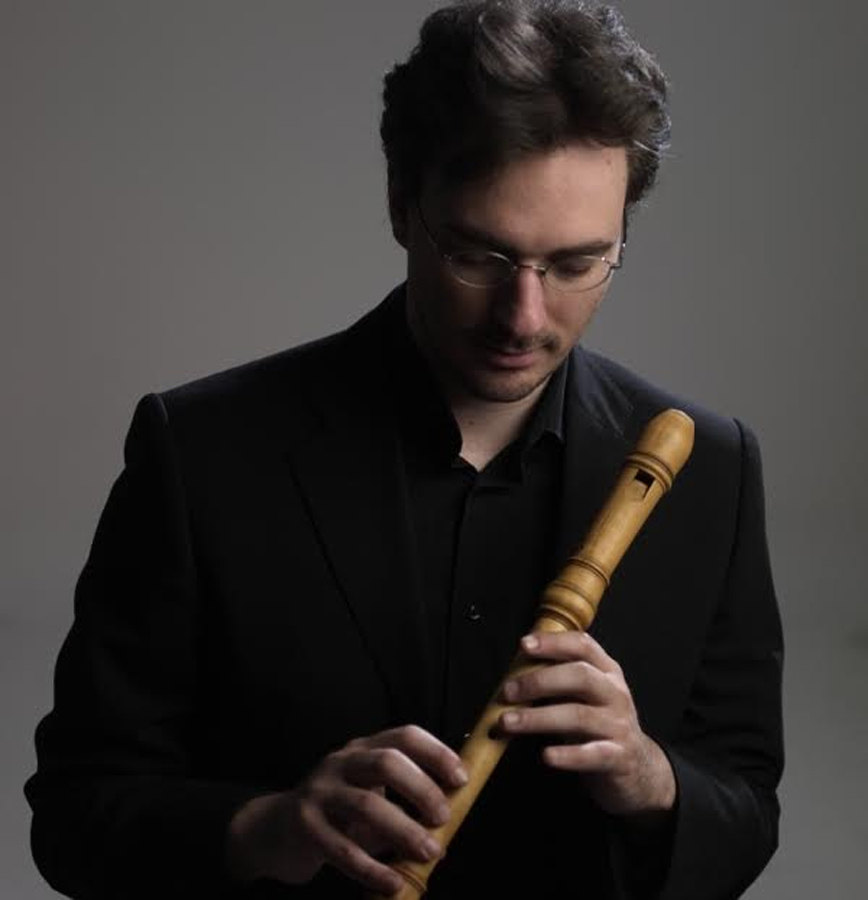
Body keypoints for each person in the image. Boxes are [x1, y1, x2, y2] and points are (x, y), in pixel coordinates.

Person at [25, 2, 783, 898]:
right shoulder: (201, 456)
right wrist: (266, 828)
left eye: (577, 264)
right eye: (479, 255)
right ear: (401, 205)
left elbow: (746, 811)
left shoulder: (711, 472)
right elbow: (76, 813)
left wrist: (651, 779)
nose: (523, 318)